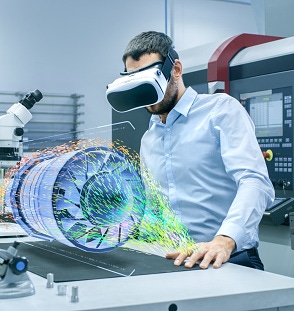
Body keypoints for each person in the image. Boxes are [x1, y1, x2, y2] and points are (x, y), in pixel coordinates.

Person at [120, 31, 274, 270]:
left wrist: (225, 240)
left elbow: (254, 181)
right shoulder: (149, 137)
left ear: (176, 69)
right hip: (172, 259)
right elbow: (153, 206)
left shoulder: (221, 111)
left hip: (226, 259)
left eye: (151, 79)